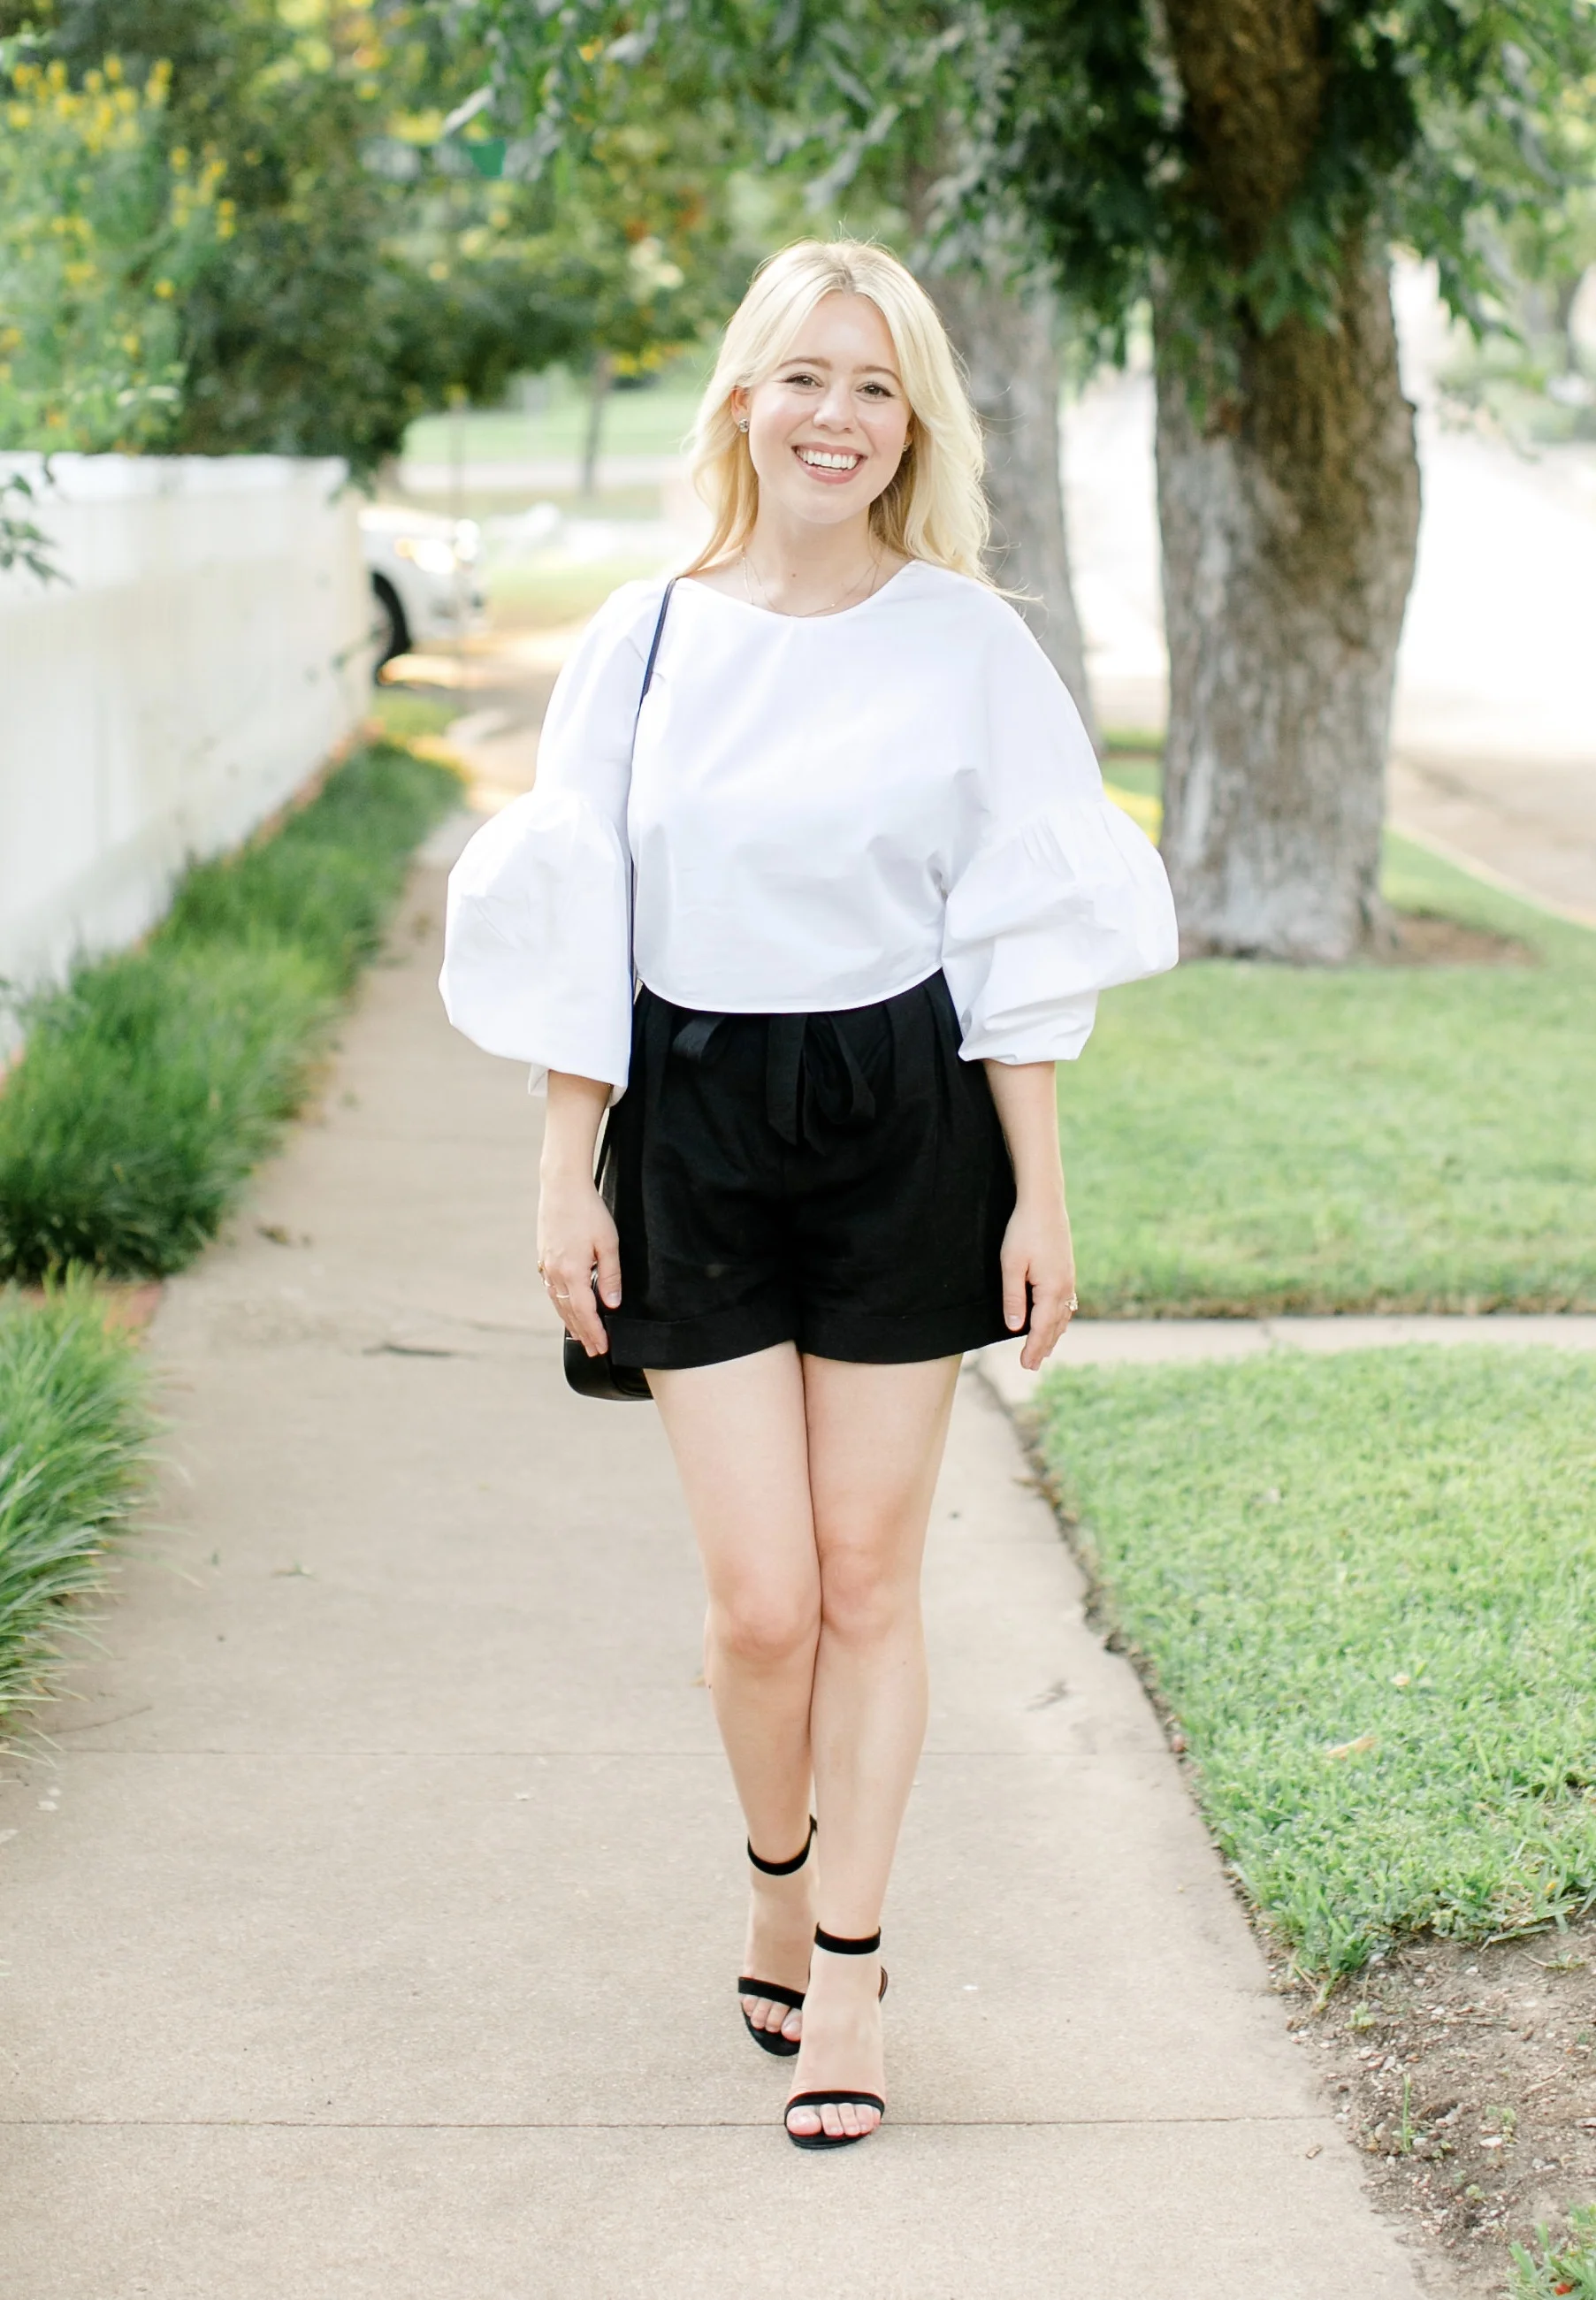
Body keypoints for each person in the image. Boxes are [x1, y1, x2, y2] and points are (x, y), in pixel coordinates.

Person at [439, 239, 1177, 2151]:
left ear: (909, 416)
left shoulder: (964, 641)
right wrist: (561, 1166)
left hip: (898, 1118)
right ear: (740, 402)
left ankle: (848, 1964)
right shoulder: (646, 635)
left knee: (869, 1575)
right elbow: (578, 913)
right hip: (687, 1118)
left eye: (871, 384)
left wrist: (1039, 1195)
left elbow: (1011, 925)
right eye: (801, 377)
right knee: (762, 1603)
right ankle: (776, 1863)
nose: (834, 416)